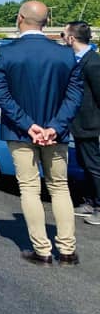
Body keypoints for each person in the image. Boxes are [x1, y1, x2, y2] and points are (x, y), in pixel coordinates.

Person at [0, 1, 83, 264]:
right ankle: (67, 249)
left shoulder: (6, 54)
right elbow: (75, 95)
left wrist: (27, 124)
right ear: (46, 21)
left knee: (30, 188)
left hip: (20, 133)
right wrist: (55, 126)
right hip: (57, 133)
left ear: (20, 18)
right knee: (59, 187)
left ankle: (42, 250)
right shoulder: (65, 55)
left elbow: (1, 94)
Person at [64, 22, 100, 225]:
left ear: (71, 38)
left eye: (64, 34)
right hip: (77, 123)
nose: (63, 38)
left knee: (94, 165)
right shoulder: (75, 60)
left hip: (89, 123)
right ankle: (90, 202)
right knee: (85, 163)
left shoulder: (93, 62)